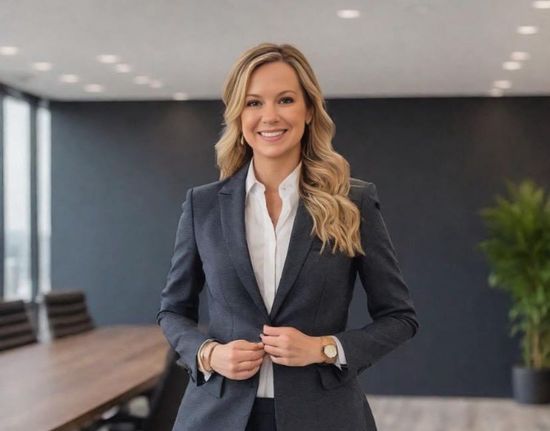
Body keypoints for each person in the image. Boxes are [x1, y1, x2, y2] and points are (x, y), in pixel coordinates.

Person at [157, 42, 420, 431]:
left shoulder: (352, 201)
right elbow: (172, 311)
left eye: (285, 99)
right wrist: (209, 354)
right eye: (253, 103)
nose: (269, 116)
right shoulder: (204, 205)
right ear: (238, 115)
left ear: (309, 110)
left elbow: (400, 317)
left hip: (323, 416)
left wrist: (325, 348)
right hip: (217, 416)